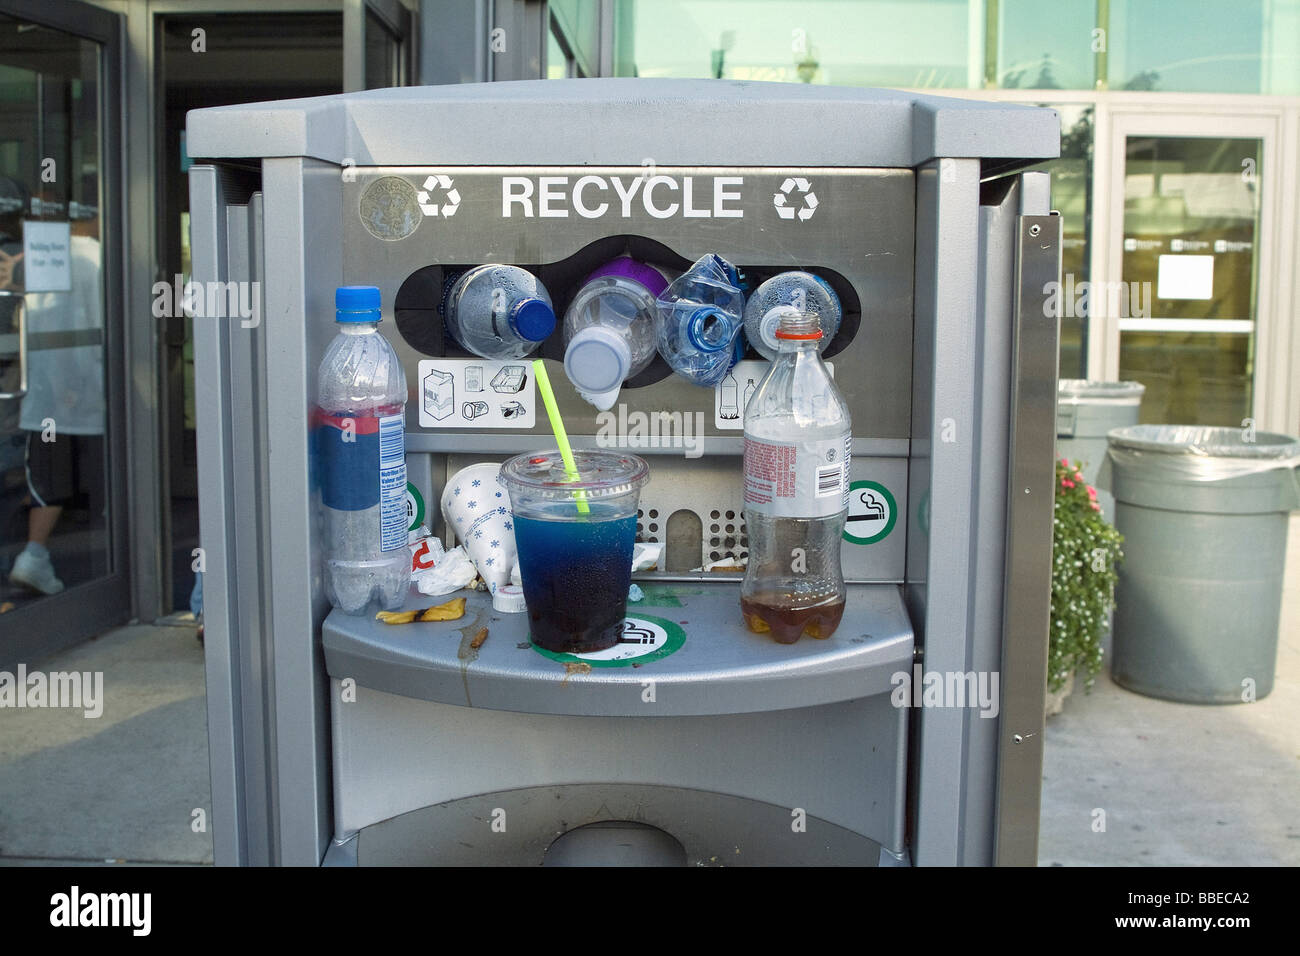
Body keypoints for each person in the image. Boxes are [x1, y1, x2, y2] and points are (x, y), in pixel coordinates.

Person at [7, 207, 104, 595]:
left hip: (51, 389)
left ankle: (35, 556)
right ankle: (35, 556)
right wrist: (78, 381)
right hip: (81, 389)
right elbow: (88, 322)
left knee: (51, 475)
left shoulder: (44, 257)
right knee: (68, 473)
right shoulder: (90, 256)